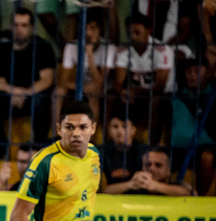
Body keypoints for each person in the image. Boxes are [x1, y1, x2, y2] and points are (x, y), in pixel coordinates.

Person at [0, 8, 56, 152]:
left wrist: (25, 92)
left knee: (41, 100)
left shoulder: (42, 47)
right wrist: (14, 91)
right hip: (8, 96)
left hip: (31, 96)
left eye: (24, 25)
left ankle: (39, 146)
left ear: (31, 27)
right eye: (16, 25)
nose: (19, 29)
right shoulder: (1, 46)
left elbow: (47, 80)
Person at [113, 14, 173, 144]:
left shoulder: (162, 50)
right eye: (129, 33)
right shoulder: (123, 50)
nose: (133, 37)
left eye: (137, 32)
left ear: (148, 31)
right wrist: (123, 92)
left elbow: (159, 87)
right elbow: (117, 83)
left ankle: (152, 146)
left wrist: (134, 92)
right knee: (110, 98)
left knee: (156, 101)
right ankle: (113, 144)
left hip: (162, 98)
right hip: (134, 97)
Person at [54, 11, 116, 128]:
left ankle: (91, 140)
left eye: (93, 28)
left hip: (102, 91)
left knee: (94, 95)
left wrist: (89, 54)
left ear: (100, 30)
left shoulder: (109, 48)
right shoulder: (72, 47)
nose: (88, 32)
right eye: (85, 28)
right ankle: (57, 135)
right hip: (78, 87)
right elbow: (62, 83)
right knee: (57, 93)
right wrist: (81, 87)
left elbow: (99, 84)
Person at [170, 58, 215, 196]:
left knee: (208, 158)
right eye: (188, 72)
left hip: (205, 146)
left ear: (207, 73)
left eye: (197, 71)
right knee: (157, 159)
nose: (192, 75)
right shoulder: (175, 97)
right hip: (178, 148)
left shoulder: (213, 97)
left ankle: (200, 198)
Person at [107, 146, 193, 196]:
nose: (152, 168)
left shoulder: (177, 185)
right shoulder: (137, 185)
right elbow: (106, 192)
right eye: (148, 165)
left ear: (168, 170)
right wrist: (130, 184)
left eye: (158, 165)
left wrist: (157, 186)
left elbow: (191, 194)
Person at [99, 113, 147, 191]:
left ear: (133, 130)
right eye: (115, 127)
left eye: (124, 126)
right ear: (109, 130)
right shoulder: (102, 151)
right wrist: (130, 184)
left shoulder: (144, 152)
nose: (119, 131)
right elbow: (102, 189)